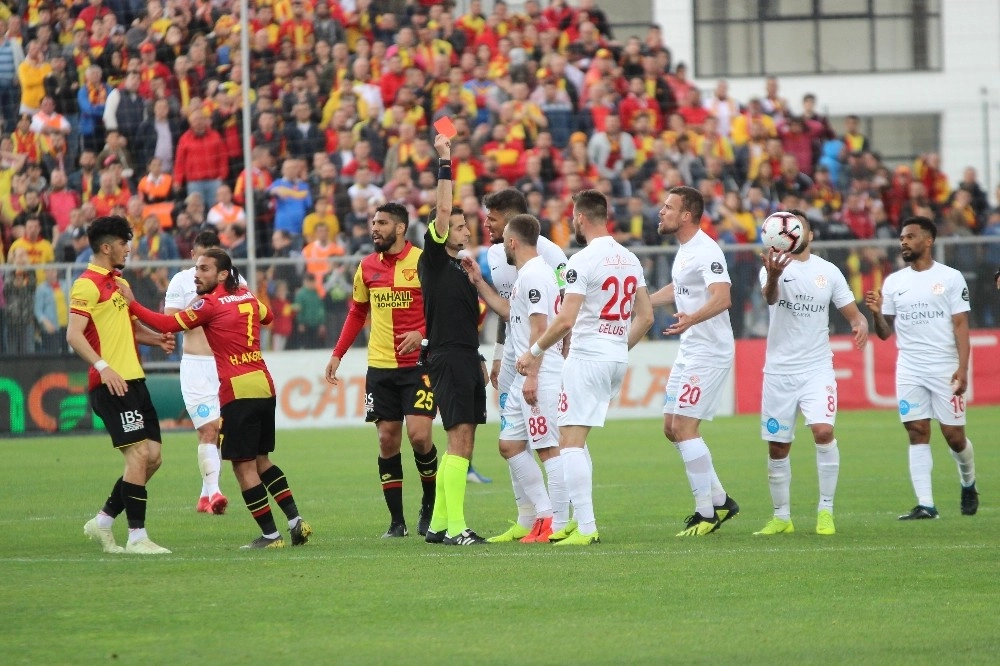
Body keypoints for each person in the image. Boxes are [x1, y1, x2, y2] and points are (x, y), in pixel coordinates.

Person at [127, 249, 314, 548]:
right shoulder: (247, 295)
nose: (196, 274)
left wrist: (132, 304)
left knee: (243, 465)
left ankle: (271, 535)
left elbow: (167, 325)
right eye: (196, 268)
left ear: (223, 274)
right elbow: (270, 316)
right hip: (264, 385)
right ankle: (296, 522)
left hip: (237, 390)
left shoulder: (208, 304)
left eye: (204, 269)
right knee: (262, 459)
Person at [515, 189, 654, 545]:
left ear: (580, 218)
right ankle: (576, 522)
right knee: (577, 438)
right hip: (615, 358)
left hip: (587, 357)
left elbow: (564, 321)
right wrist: (618, 346)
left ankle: (587, 528)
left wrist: (532, 352)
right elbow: (647, 316)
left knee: (570, 443)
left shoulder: (582, 261)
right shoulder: (629, 259)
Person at [324, 201, 439, 538]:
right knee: (387, 440)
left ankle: (430, 505)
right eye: (373, 222)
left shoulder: (422, 262)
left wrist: (423, 335)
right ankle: (396, 522)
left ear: (400, 228)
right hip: (380, 367)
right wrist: (338, 353)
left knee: (419, 437)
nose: (374, 228)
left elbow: (443, 309)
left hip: (417, 366)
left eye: (382, 223)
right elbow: (357, 312)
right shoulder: (366, 267)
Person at [756, 210, 869, 536]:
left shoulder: (828, 271)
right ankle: (781, 517)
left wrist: (859, 324)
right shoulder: (772, 266)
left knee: (822, 431)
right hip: (778, 371)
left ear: (809, 234)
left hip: (817, 368)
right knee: (778, 447)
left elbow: (852, 312)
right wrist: (774, 276)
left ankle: (826, 511)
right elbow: (770, 298)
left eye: (799, 226)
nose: (793, 231)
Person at [68, 215, 175, 555]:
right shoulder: (86, 284)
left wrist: (157, 340)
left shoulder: (119, 283)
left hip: (135, 380)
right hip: (111, 383)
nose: (129, 248)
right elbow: (73, 334)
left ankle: (102, 521)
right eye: (124, 242)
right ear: (105, 247)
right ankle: (137, 537)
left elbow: (127, 329)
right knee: (139, 454)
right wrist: (103, 367)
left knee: (153, 458)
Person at [864, 216, 978, 519]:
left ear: (928, 241)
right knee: (916, 431)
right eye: (902, 237)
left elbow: (961, 325)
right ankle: (926, 504)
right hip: (910, 367)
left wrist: (963, 368)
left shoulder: (951, 278)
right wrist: (876, 314)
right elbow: (885, 333)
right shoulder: (894, 282)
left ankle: (968, 482)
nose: (904, 241)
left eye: (911, 237)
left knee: (954, 436)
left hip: (944, 366)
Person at [464, 213, 566, 544]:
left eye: (502, 238)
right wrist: (479, 282)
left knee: (548, 448)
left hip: (539, 373)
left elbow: (541, 329)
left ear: (512, 242)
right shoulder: (528, 275)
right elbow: (511, 313)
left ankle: (554, 521)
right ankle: (544, 514)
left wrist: (533, 374)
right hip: (526, 375)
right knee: (509, 445)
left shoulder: (535, 274)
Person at [649, 186, 741, 536]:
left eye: (668, 207)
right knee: (671, 427)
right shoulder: (685, 251)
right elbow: (678, 290)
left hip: (710, 351)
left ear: (686, 215)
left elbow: (723, 297)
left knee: (686, 428)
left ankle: (706, 514)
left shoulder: (706, 250)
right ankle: (720, 499)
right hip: (690, 349)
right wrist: (639, 304)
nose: (662, 211)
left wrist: (692, 318)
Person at [419, 133, 489, 546]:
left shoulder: (464, 268)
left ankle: (440, 525)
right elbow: (443, 206)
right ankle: (458, 528)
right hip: (447, 357)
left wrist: (478, 355)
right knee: (460, 438)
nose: (464, 232)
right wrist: (445, 160)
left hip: (462, 356)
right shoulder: (434, 257)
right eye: (458, 226)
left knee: (460, 439)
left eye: (465, 226)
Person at [163, 230, 239, 514]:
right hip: (196, 365)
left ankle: (205, 494)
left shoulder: (235, 281)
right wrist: (202, 303)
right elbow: (171, 321)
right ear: (193, 255)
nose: (204, 264)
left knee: (220, 432)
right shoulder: (182, 281)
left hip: (226, 364)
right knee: (208, 430)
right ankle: (215, 493)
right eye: (201, 259)